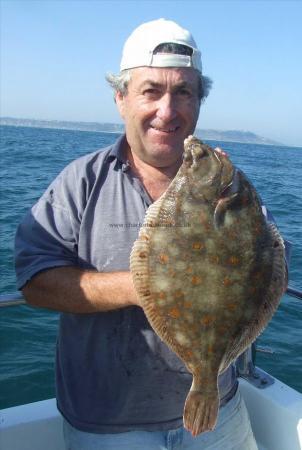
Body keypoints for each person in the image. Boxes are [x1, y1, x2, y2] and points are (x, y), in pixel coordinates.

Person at [15, 19, 260, 450]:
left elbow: (263, 269)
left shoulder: (232, 188)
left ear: (198, 101)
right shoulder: (80, 182)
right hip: (108, 424)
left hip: (220, 407)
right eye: (151, 91)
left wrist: (236, 198)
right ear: (121, 99)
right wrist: (147, 286)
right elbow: (34, 283)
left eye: (184, 92)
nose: (168, 110)